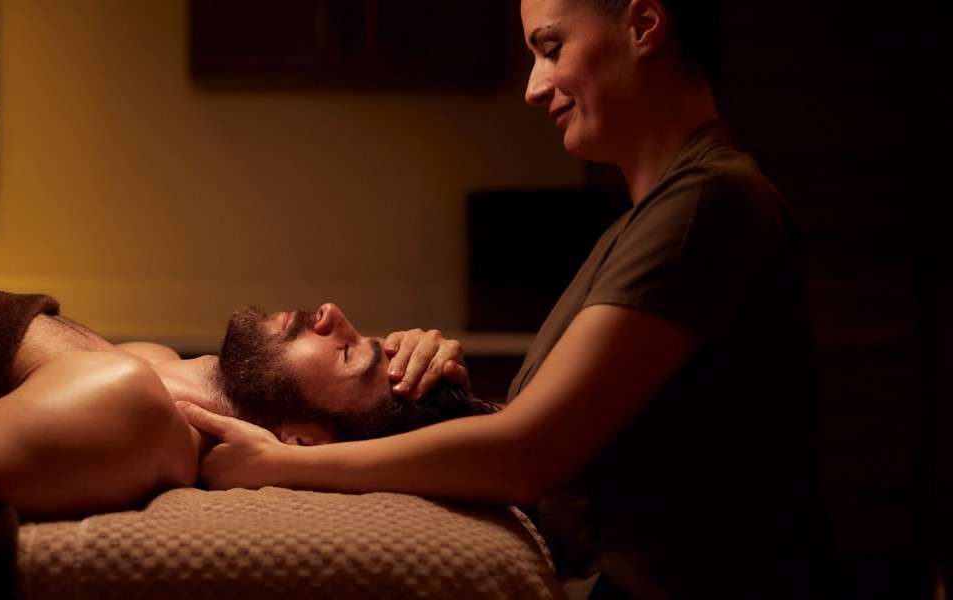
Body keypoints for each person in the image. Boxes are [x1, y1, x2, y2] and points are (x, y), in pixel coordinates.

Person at [177, 0, 833, 597]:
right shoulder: (646, 221)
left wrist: (281, 466)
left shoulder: (706, 204)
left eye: (551, 48)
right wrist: (445, 400)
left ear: (643, 25)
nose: (534, 87)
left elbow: (526, 456)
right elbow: (574, 440)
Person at [0, 271, 494, 539]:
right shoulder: (157, 370)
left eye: (348, 353)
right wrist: (432, 371)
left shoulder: (130, 415)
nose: (333, 314)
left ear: (302, 442)